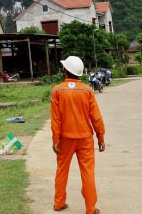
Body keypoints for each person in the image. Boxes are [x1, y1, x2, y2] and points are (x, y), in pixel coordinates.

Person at [51, 56, 105, 214]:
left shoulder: (57, 90)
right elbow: (96, 117)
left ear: (65, 71)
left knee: (62, 170)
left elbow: (56, 119)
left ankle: (59, 203)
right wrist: (100, 137)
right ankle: (90, 208)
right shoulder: (87, 90)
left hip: (65, 139)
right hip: (85, 139)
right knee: (87, 172)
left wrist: (55, 139)